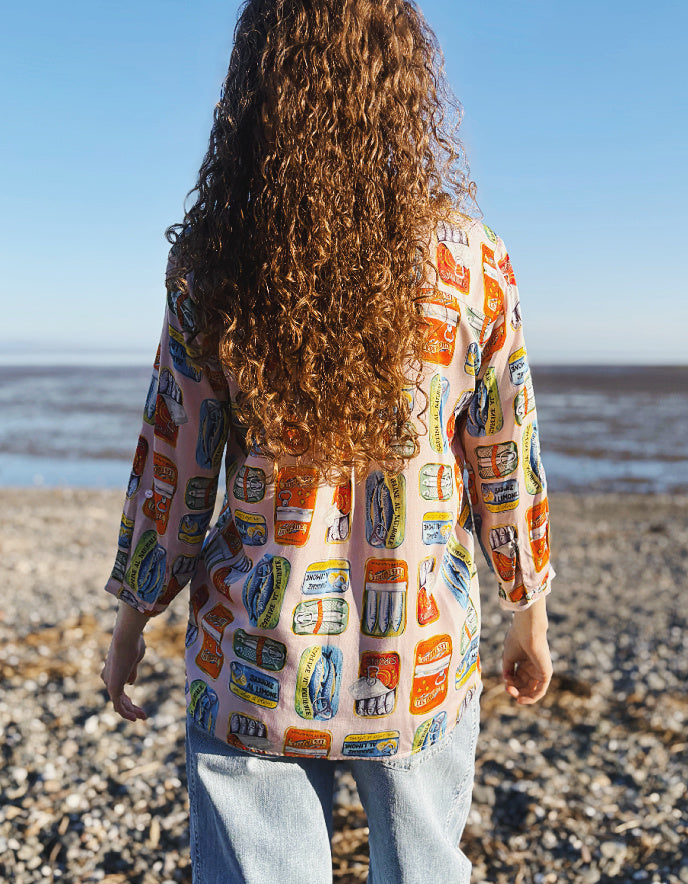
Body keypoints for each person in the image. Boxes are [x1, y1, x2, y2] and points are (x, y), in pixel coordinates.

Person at [100, 1, 555, 881]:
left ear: (257, 86)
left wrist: (134, 614)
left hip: (251, 656)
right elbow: (505, 453)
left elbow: (177, 459)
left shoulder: (216, 261)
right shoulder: (471, 260)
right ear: (403, 88)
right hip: (418, 655)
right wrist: (527, 612)